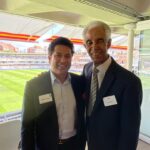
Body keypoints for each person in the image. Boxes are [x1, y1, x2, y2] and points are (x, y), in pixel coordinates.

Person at [82, 21, 143, 150]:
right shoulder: (86, 70)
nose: (94, 46)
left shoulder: (129, 81)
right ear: (85, 46)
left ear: (108, 43)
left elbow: (130, 131)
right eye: (89, 42)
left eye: (99, 41)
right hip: (91, 143)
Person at [21, 37, 86, 150]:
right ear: (49, 58)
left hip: (75, 145)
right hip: (46, 147)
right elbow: (27, 127)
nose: (63, 60)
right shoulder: (34, 86)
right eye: (58, 55)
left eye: (67, 56)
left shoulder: (80, 82)